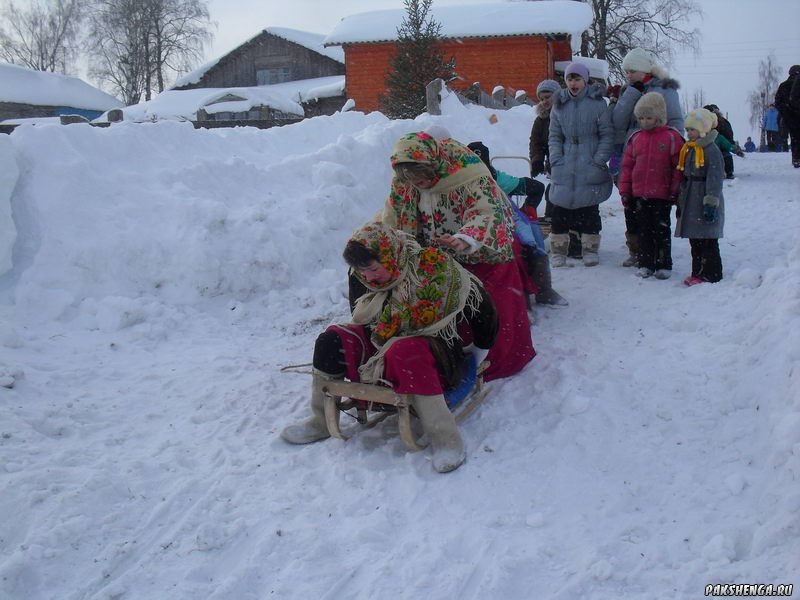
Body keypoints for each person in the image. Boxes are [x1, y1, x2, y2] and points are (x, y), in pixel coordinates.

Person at [280, 223, 498, 473]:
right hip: (381, 344)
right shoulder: (361, 276)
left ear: (390, 255)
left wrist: (481, 348)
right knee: (331, 339)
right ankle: (320, 421)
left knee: (405, 351)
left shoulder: (433, 266)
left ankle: (445, 438)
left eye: (373, 268)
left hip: (434, 350)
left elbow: (482, 305)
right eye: (362, 271)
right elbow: (362, 317)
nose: (369, 278)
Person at [381, 131, 535, 381]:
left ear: (433, 163)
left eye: (420, 174)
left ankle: (496, 359)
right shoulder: (404, 178)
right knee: (446, 304)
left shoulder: (467, 172)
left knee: (487, 306)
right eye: (408, 176)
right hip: (441, 255)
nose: (415, 181)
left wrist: (465, 239)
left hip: (483, 255)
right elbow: (394, 212)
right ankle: (451, 357)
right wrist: (382, 240)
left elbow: (485, 212)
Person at [466, 140, 568, 306]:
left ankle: (540, 290)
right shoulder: (459, 184)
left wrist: (529, 209)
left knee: (530, 241)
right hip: (475, 226)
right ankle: (514, 298)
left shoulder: (496, 179)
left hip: (507, 218)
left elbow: (536, 187)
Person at [612, 47, 684, 268]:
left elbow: (675, 120)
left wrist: (671, 149)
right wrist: (631, 92)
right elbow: (617, 122)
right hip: (633, 153)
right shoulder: (629, 90)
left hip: (658, 156)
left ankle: (658, 254)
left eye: (632, 70)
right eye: (626, 72)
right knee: (631, 206)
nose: (628, 75)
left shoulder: (665, 89)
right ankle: (637, 250)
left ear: (643, 69)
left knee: (655, 210)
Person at [548, 61, 614, 267]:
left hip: (589, 161)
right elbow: (554, 135)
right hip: (565, 162)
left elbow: (606, 135)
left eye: (577, 78)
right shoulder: (559, 104)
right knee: (559, 208)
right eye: (569, 78)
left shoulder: (597, 104)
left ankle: (590, 248)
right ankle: (558, 249)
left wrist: (598, 160)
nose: (573, 83)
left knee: (589, 209)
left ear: (585, 80)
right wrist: (556, 159)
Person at [529, 78, 582, 258]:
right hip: (555, 166)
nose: (545, 101)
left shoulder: (567, 114)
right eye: (541, 98)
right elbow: (536, 142)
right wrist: (537, 159)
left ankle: (575, 239)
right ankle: (558, 234)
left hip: (571, 163)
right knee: (554, 196)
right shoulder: (541, 120)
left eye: (548, 97)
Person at [675, 108, 726, 286]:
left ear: (703, 129)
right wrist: (680, 199)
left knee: (707, 240)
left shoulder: (711, 150)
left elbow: (715, 177)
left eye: (693, 129)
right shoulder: (689, 149)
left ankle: (712, 273)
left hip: (703, 198)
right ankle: (697, 271)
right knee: (695, 239)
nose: (689, 133)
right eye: (688, 129)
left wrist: (711, 201)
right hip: (690, 197)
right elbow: (683, 174)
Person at [704, 104, 740, 178]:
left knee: (725, 156)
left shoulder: (722, 124)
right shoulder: (701, 124)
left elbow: (726, 141)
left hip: (720, 148)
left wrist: (733, 148)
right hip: (706, 149)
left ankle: (728, 171)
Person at [775, 64, 800, 168]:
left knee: (794, 137)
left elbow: (778, 102)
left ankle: (796, 158)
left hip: (789, 117)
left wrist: (784, 111)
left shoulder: (783, 85)